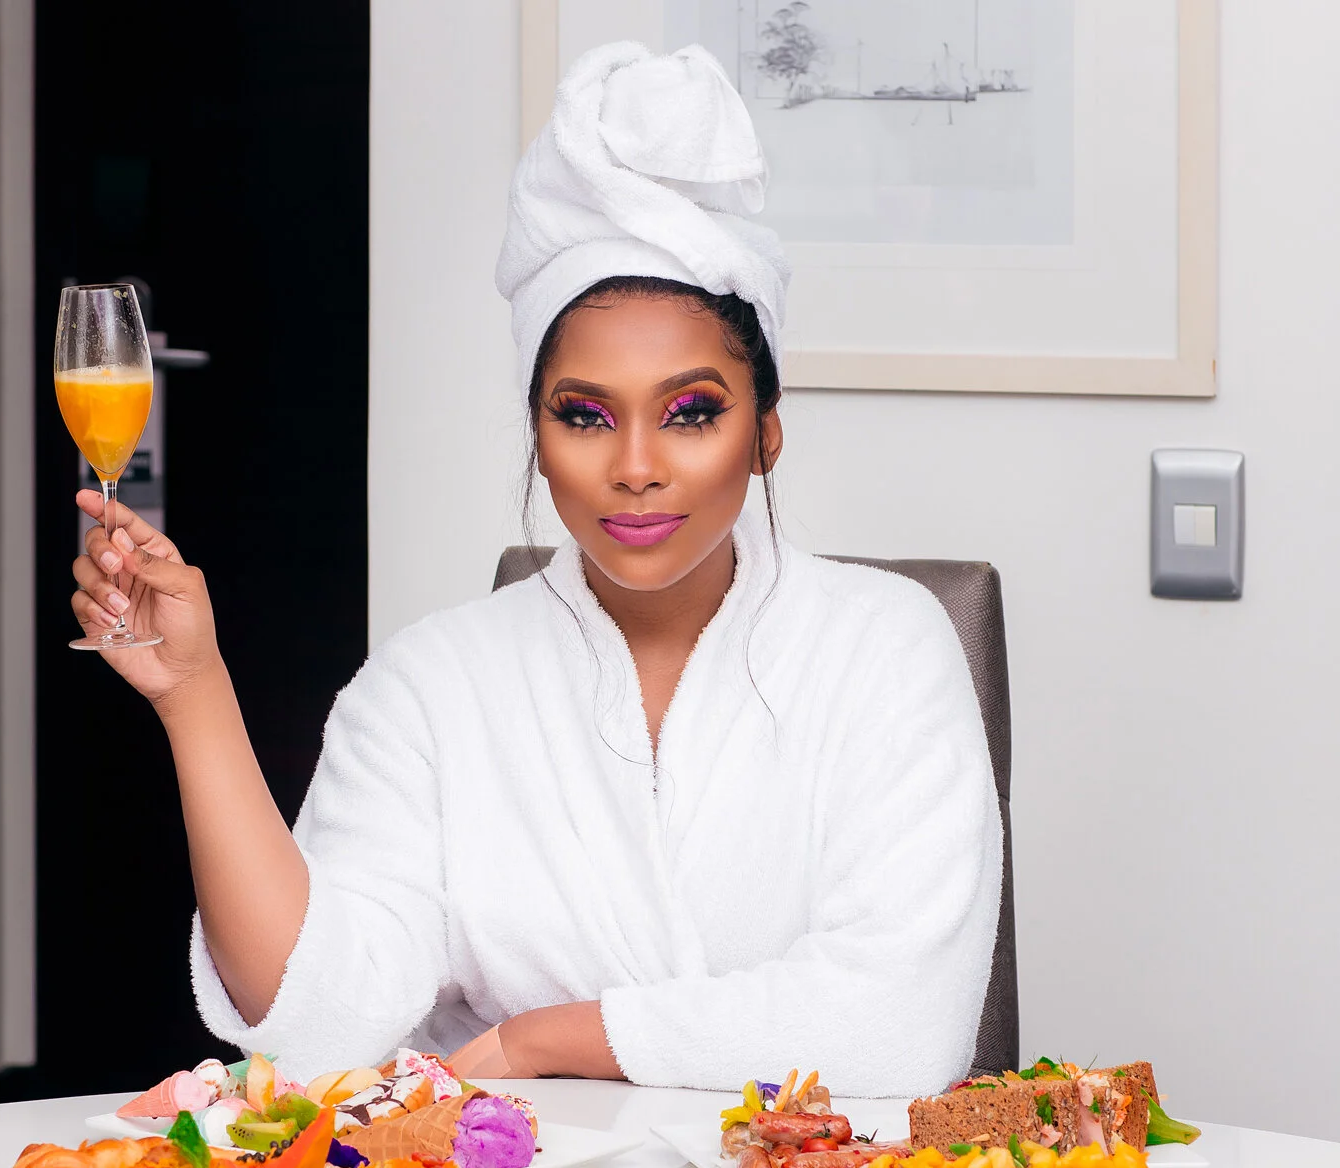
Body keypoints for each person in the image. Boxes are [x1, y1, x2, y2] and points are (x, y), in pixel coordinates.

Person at [69, 43, 1002, 1093]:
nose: (637, 467)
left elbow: (899, 1029)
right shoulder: (432, 684)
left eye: (692, 412)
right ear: (536, 431)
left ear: (767, 431)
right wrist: (195, 699)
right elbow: (318, 1023)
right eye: (584, 415)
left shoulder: (885, 644)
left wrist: (545, 1038)